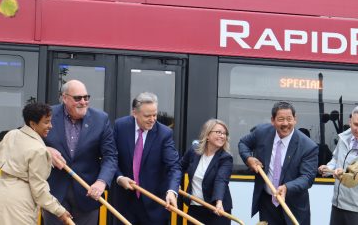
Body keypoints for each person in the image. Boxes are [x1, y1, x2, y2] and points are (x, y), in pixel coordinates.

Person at [0, 103, 72, 225]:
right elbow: (39, 191)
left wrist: (14, 167)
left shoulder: (12, 134)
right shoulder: (39, 150)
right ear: (32, 124)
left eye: (50, 121)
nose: (50, 126)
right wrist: (60, 211)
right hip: (18, 207)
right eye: (46, 122)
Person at [42, 80, 118, 225]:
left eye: (86, 97)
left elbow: (110, 156)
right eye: (77, 98)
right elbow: (27, 139)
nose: (83, 102)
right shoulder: (47, 114)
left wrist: (101, 182)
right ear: (64, 98)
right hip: (53, 195)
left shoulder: (100, 119)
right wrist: (44, 150)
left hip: (87, 195)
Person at [238, 101, 318, 225]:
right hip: (267, 204)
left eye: (289, 119)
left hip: (293, 206)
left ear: (295, 119)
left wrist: (287, 187)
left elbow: (307, 178)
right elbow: (243, 143)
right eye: (280, 119)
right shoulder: (261, 132)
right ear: (273, 120)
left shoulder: (308, 146)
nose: (285, 123)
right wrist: (249, 159)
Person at [111, 92, 182, 225]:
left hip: (154, 206)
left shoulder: (164, 134)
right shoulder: (121, 126)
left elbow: (174, 167)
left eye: (155, 115)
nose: (152, 119)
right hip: (124, 204)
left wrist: (172, 191)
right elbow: (111, 158)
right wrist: (119, 178)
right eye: (147, 116)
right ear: (135, 113)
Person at [318, 106, 358, 225]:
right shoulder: (343, 138)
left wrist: (341, 173)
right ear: (350, 122)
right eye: (355, 124)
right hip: (337, 204)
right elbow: (335, 158)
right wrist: (328, 168)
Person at [181, 119, 233, 225]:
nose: (222, 136)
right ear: (207, 135)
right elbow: (179, 167)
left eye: (224, 134)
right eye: (218, 132)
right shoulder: (194, 151)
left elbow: (221, 180)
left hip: (216, 209)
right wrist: (175, 185)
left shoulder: (226, 158)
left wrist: (218, 202)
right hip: (194, 207)